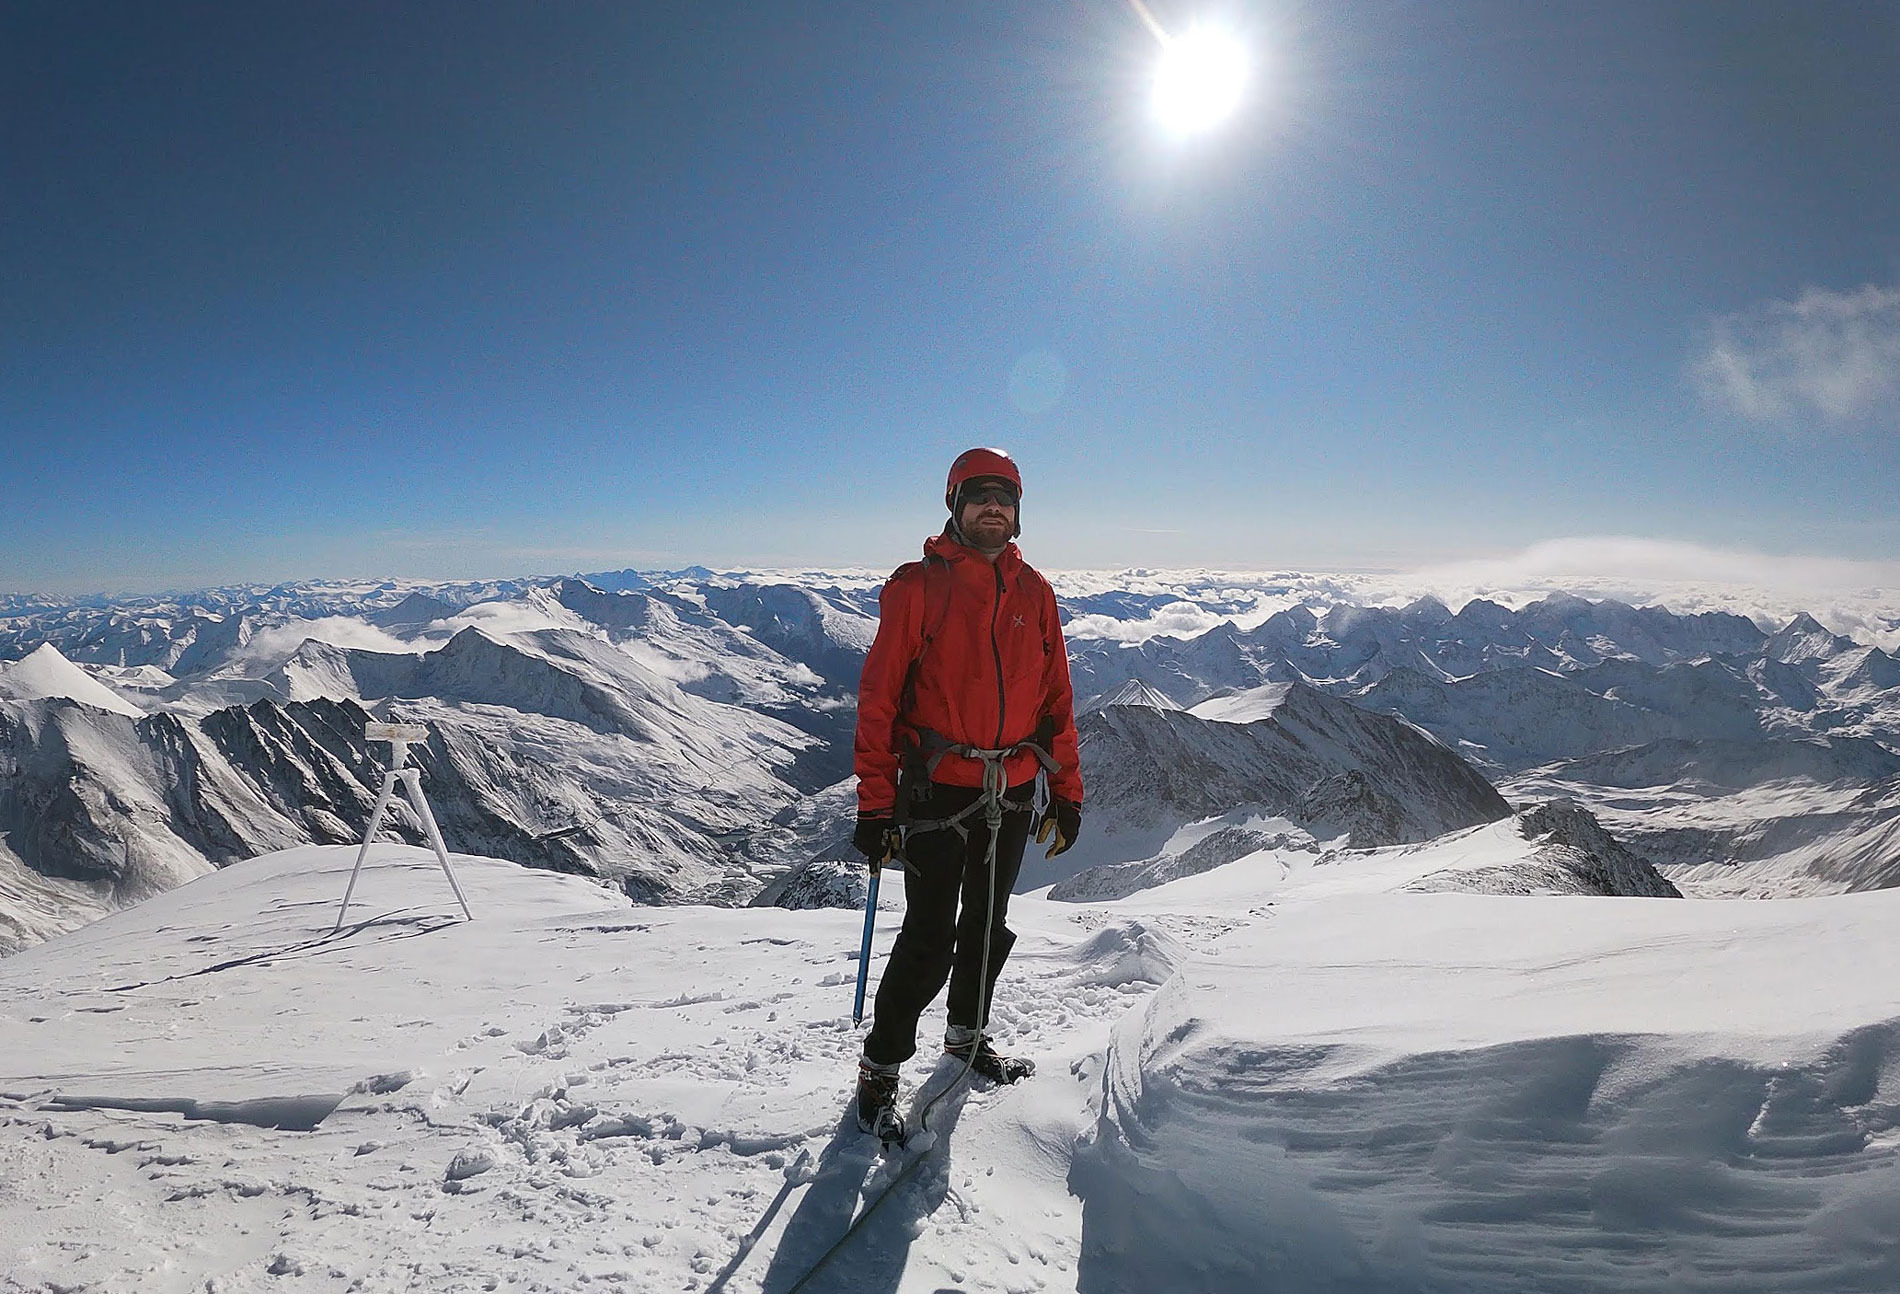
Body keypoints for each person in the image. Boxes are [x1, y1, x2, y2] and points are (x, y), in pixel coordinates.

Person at [848, 446, 1085, 1141]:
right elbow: (879, 699)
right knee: (928, 936)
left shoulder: (1034, 591)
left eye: (1004, 498)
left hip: (1010, 792)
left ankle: (965, 1036)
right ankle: (882, 1066)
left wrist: (1066, 793)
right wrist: (874, 802)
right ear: (954, 504)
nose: (993, 508)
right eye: (979, 495)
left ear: (1017, 512)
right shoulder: (916, 586)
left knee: (987, 924)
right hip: (935, 794)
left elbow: (1056, 701)